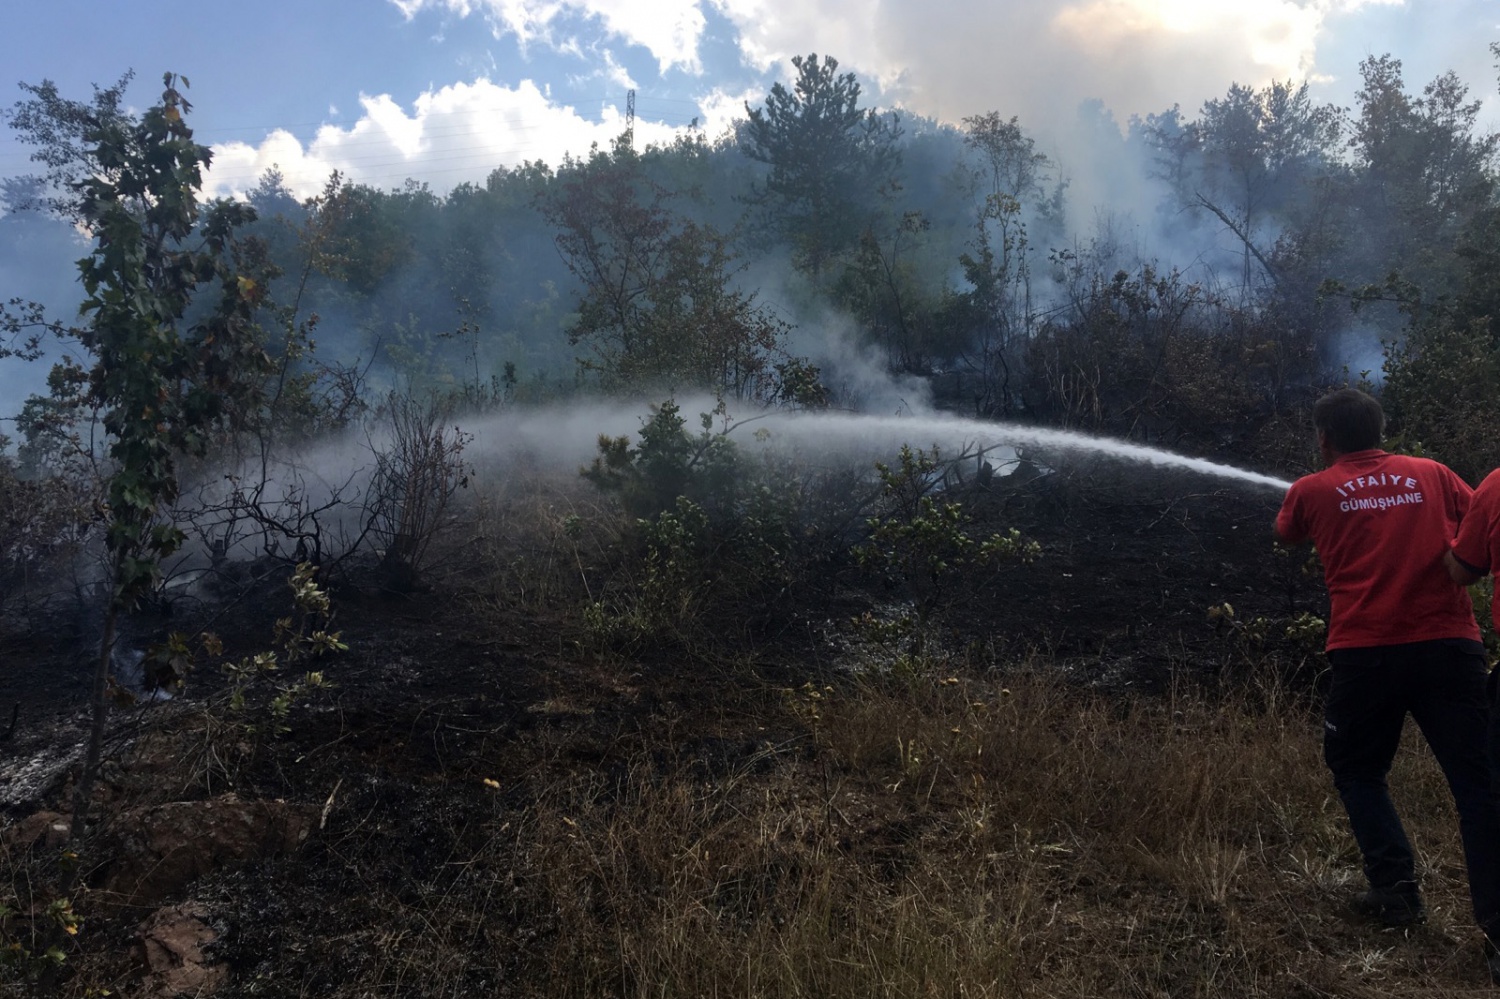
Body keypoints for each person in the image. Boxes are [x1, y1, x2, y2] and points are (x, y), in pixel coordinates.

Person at [1274, 388, 1500, 976]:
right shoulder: (1433, 473)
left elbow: (1287, 533)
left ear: (1324, 438)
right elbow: (1482, 525)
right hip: (1451, 648)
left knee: (1357, 769)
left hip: (1365, 654)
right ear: (1381, 429)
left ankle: (1396, 890)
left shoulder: (1310, 490)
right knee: (1479, 786)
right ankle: (1498, 934)